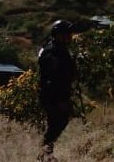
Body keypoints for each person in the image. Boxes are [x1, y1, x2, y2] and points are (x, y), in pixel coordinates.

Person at [38, 19, 77, 160]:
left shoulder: (60, 49)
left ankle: (46, 152)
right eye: (67, 34)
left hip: (57, 94)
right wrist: (59, 99)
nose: (70, 36)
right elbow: (54, 78)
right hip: (53, 95)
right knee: (57, 123)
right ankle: (44, 152)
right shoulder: (53, 52)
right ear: (59, 35)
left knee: (58, 122)